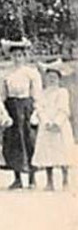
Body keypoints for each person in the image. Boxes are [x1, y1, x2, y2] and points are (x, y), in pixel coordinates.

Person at [0, 39, 42, 189]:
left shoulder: (31, 73)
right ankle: (17, 178)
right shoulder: (6, 74)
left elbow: (37, 94)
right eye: (14, 55)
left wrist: (36, 112)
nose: (17, 58)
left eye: (20, 55)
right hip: (12, 108)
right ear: (10, 57)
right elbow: (2, 95)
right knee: (13, 143)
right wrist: (4, 113)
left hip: (26, 108)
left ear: (24, 56)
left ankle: (32, 178)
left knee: (29, 141)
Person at [31, 61, 74, 191]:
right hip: (46, 126)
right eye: (49, 78)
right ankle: (49, 181)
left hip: (60, 126)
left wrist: (57, 122)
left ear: (59, 79)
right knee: (47, 153)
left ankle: (65, 180)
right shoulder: (42, 94)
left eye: (54, 78)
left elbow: (64, 109)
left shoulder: (62, 92)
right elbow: (39, 108)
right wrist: (45, 121)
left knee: (63, 151)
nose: (52, 80)